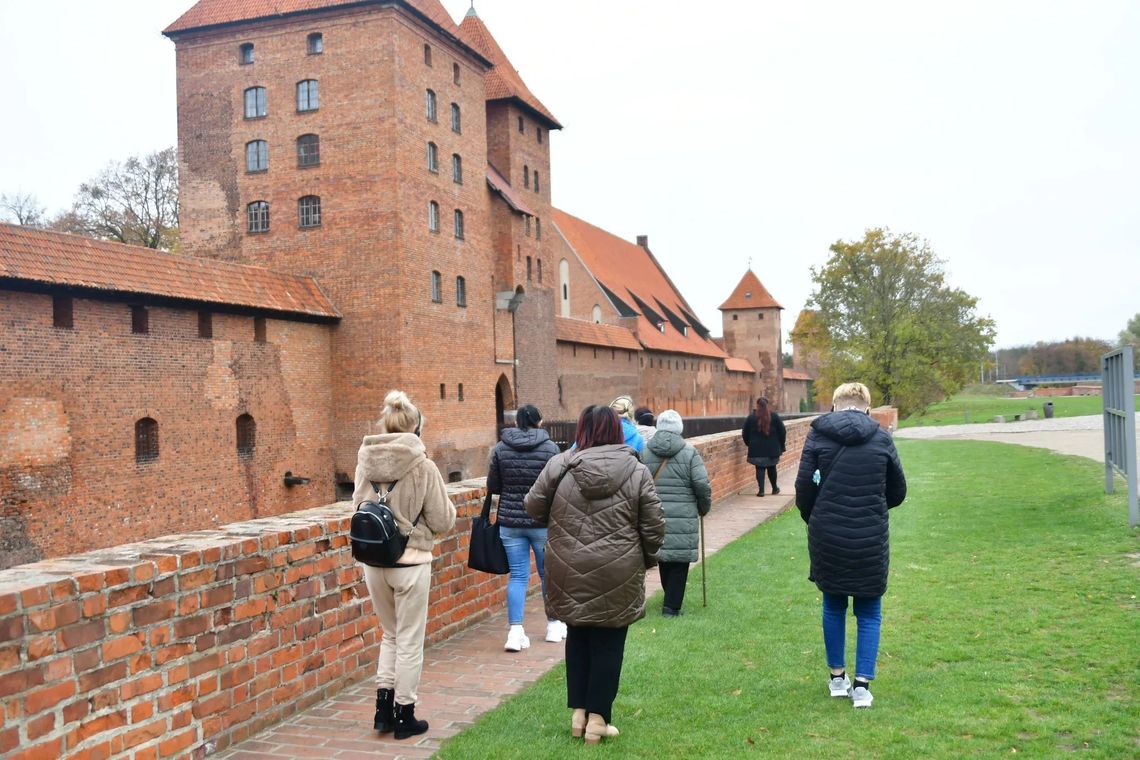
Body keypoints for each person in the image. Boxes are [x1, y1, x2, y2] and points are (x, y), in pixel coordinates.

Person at [525, 405, 664, 744]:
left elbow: (532, 506)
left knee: (578, 636)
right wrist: (647, 558)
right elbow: (654, 525)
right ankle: (598, 718)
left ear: (582, 430)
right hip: (618, 565)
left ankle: (579, 715)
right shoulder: (635, 469)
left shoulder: (560, 465)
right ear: (617, 431)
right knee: (610, 641)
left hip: (567, 566)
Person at [794, 382, 907, 709]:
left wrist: (814, 514)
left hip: (827, 531)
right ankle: (861, 686)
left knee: (833, 604)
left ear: (834, 406)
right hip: (870, 533)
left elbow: (803, 486)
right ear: (867, 408)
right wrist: (873, 504)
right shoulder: (882, 436)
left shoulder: (818, 434)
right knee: (869, 610)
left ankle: (837, 678)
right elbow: (898, 491)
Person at [352, 390, 457, 739]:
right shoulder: (422, 465)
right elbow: (442, 520)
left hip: (373, 561)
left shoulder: (364, 461)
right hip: (410, 562)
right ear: (416, 427)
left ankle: (382, 711)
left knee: (390, 635)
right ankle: (404, 715)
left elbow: (356, 507)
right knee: (410, 640)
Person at [486, 404, 564, 650]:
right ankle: (553, 626)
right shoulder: (550, 448)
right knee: (546, 574)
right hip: (541, 521)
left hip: (510, 521)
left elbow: (494, 485)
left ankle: (515, 632)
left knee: (518, 576)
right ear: (538, 421)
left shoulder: (500, 448)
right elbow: (558, 486)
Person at [640, 410, 711, 616]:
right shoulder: (689, 453)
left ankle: (669, 597)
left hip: (654, 515)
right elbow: (702, 485)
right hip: (683, 515)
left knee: (664, 556)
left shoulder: (645, 452)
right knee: (679, 562)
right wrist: (703, 507)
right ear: (679, 429)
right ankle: (671, 607)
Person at [742, 397, 786, 496]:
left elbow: (745, 433)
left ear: (757, 406)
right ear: (767, 405)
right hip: (772, 449)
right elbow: (782, 432)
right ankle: (774, 488)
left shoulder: (751, 418)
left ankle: (761, 490)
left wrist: (749, 444)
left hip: (756, 449)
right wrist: (781, 445)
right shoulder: (774, 416)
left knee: (759, 468)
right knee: (772, 468)